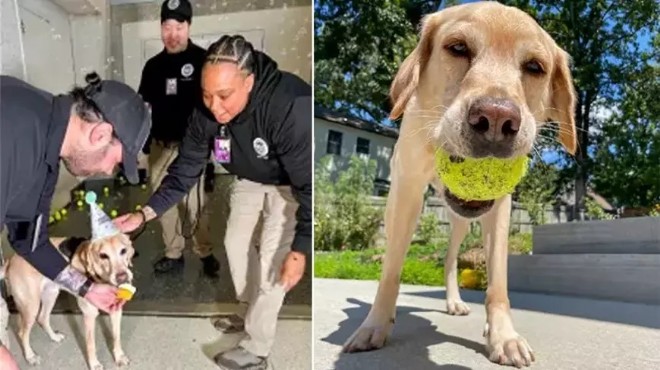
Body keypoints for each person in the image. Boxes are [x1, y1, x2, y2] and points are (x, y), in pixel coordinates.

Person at [114, 35, 311, 370]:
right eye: (207, 95)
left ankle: (257, 349)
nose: (214, 106)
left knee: (270, 263)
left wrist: (300, 249)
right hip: (248, 177)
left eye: (224, 96)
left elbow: (310, 184)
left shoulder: (290, 105)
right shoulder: (206, 111)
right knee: (234, 244)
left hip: (292, 185)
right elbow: (184, 171)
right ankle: (248, 309)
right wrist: (143, 214)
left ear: (248, 82)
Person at [0, 72, 151, 366]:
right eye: (116, 162)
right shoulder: (13, 130)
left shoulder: (47, 150)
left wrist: (87, 288)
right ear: (101, 134)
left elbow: (31, 242)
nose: (109, 172)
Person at [137, 0, 220, 276]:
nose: (172, 34)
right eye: (167, 26)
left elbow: (215, 108)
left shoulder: (204, 61)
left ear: (189, 27)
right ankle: (173, 253)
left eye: (179, 26)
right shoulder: (152, 67)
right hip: (161, 148)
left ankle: (205, 251)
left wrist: (216, 150)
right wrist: (144, 146)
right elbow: (144, 109)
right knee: (164, 204)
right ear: (161, 28)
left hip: (193, 149)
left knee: (197, 206)